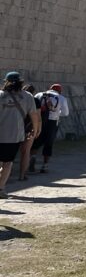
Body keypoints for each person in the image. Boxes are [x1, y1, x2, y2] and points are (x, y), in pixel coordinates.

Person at [1, 71, 41, 199]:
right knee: (8, 163)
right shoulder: (27, 96)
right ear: (20, 82)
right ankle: (1, 189)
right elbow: (34, 115)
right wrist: (35, 129)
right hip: (14, 136)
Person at [31, 83, 70, 173]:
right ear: (59, 91)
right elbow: (65, 113)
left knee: (36, 141)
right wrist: (56, 112)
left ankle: (32, 158)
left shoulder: (39, 94)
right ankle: (45, 165)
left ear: (50, 88)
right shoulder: (61, 98)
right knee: (49, 143)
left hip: (39, 120)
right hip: (52, 122)